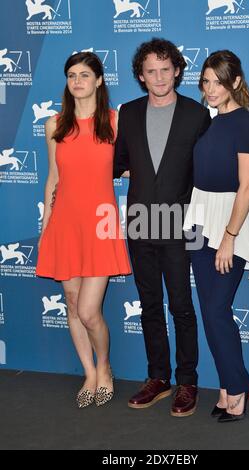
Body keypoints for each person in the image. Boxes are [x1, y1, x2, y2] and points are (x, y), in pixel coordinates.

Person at [114, 38, 211, 417]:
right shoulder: (129, 112)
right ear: (141, 75)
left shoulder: (195, 115)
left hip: (179, 222)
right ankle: (158, 377)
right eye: (151, 71)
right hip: (139, 221)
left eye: (165, 69)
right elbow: (119, 161)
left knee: (182, 307)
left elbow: (207, 170)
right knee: (150, 305)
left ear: (177, 71)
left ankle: (188, 382)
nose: (159, 77)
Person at [36, 52, 131, 408]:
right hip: (64, 224)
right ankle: (89, 374)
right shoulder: (54, 125)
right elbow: (53, 179)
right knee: (72, 305)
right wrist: (46, 227)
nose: (77, 81)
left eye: (85, 75)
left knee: (90, 311)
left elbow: (129, 166)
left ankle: (105, 367)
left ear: (99, 80)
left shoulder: (115, 121)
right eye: (72, 75)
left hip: (100, 224)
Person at [183, 50, 249, 422]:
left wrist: (230, 236)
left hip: (229, 223)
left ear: (235, 82)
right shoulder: (208, 121)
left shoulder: (246, 123)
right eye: (205, 81)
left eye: (218, 81)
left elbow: (247, 185)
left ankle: (239, 386)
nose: (210, 89)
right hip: (199, 219)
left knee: (217, 311)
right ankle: (226, 387)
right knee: (210, 313)